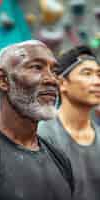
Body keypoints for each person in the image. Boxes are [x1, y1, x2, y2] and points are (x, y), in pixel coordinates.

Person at [0, 40, 74, 200]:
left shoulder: (59, 158)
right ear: (3, 80)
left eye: (54, 70)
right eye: (37, 67)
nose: (52, 79)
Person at [38, 45, 100, 200]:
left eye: (99, 74)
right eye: (87, 73)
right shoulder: (40, 139)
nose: (97, 81)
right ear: (62, 83)